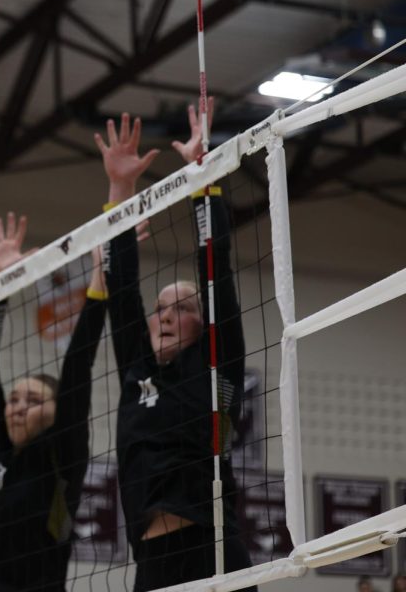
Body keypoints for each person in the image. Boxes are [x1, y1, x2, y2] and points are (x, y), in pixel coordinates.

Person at [95, 102, 251, 592]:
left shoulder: (215, 364)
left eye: (182, 308)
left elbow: (216, 269)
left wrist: (201, 179)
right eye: (161, 307)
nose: (165, 314)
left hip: (215, 551)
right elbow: (121, 291)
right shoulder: (137, 370)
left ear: (203, 327)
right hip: (153, 564)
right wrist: (121, 188)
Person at [0, 213, 109, 592]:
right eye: (13, 398)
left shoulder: (63, 455)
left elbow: (77, 369)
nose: (17, 406)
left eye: (32, 400)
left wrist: (98, 290)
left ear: (55, 413)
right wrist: (0, 286)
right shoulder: (0, 447)